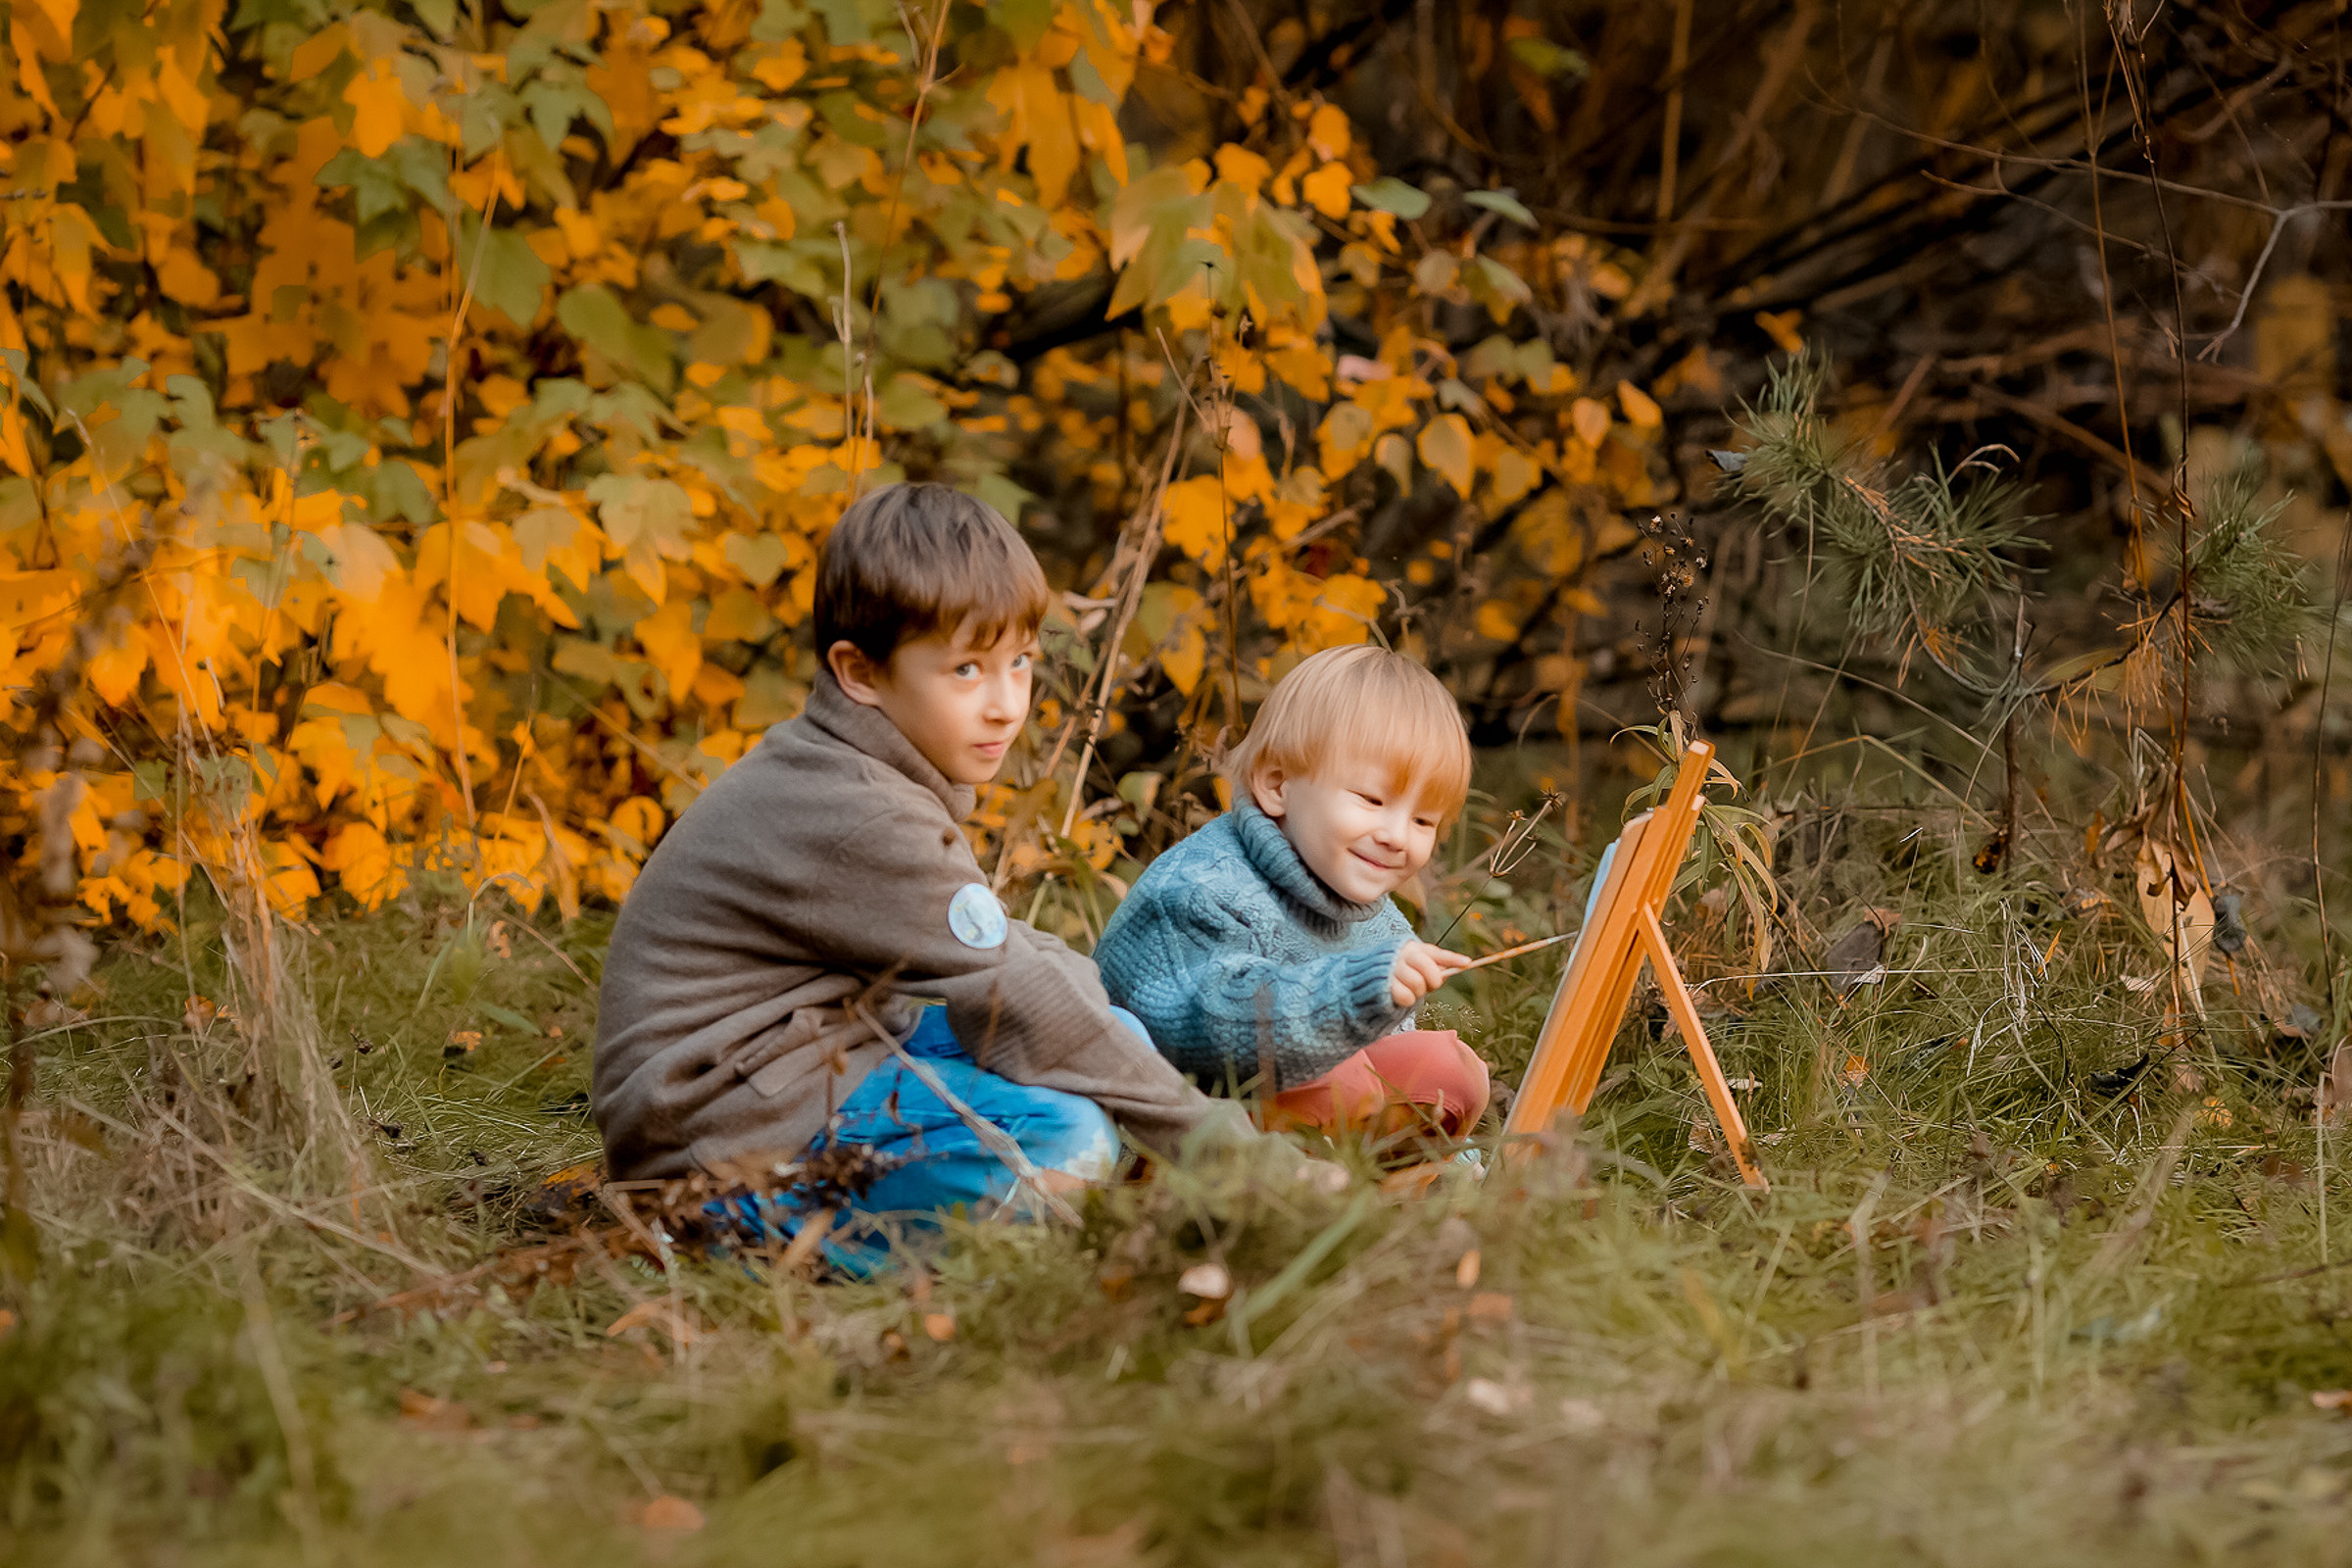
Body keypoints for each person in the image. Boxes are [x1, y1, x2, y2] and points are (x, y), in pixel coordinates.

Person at [592, 482, 1242, 1269]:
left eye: (1019, 662)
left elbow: (1005, 961)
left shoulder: (861, 769)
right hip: (719, 1130)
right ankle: (732, 1226)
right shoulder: (857, 811)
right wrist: (1238, 1154)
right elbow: (1009, 990)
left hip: (815, 1061)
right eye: (966, 669)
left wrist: (1080, 1006)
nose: (1006, 705)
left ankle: (1055, 1202)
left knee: (1113, 1041)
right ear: (860, 672)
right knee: (1061, 1135)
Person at [1093, 646, 1491, 1153]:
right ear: (1277, 786)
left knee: (1448, 1071)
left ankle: (1409, 1176)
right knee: (1348, 1082)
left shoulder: (1383, 926)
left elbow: (1387, 1052)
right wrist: (1353, 991)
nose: (1396, 836)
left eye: (1422, 820)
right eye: (1372, 799)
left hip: (1297, 1124)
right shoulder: (1199, 891)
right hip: (1167, 1129)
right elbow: (1211, 1035)